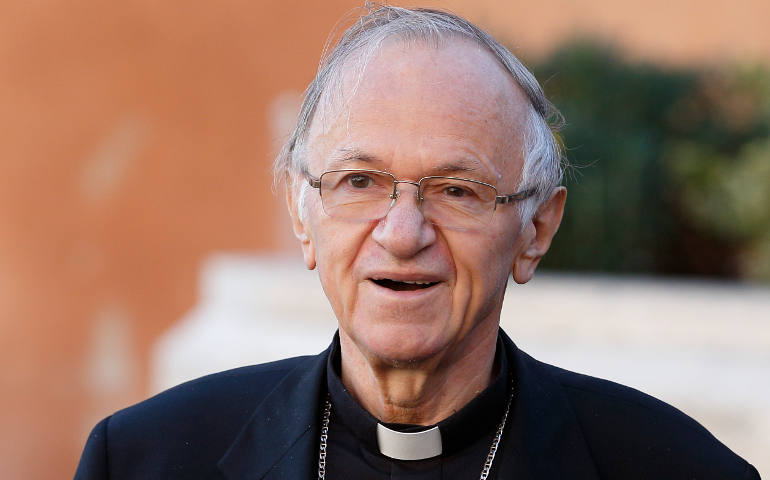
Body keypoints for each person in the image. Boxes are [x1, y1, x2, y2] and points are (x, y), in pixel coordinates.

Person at [75, 5, 760, 479]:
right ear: (300, 207)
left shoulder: (677, 470)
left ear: (537, 230)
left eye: (458, 190)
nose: (403, 234)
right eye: (360, 182)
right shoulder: (145, 460)